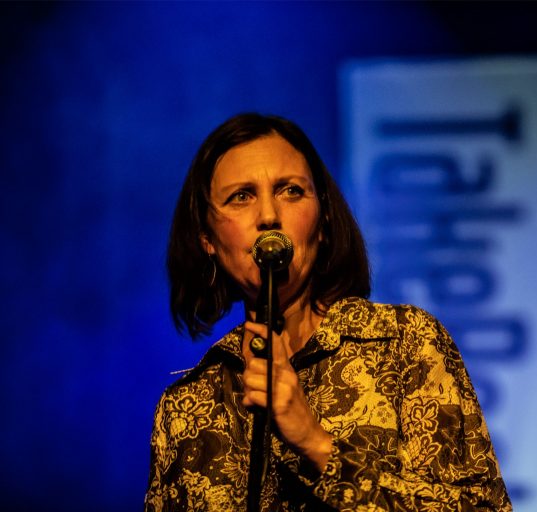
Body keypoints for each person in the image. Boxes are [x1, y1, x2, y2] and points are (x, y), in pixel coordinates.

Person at [144, 113, 512, 511]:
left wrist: (316, 444)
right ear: (207, 240)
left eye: (290, 191)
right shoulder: (186, 408)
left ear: (322, 223)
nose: (268, 216)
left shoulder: (406, 345)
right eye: (242, 196)